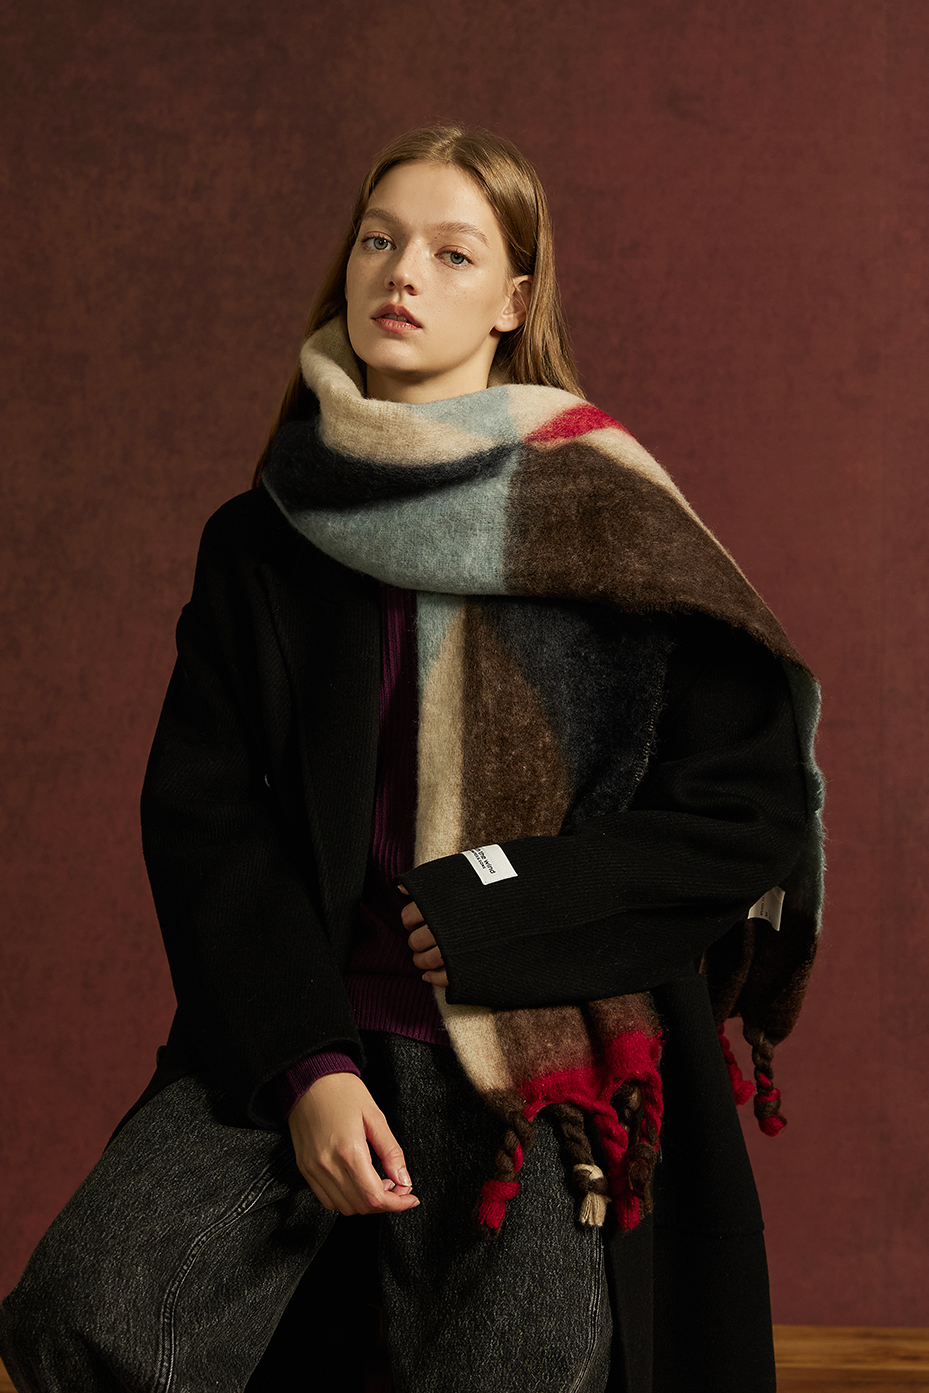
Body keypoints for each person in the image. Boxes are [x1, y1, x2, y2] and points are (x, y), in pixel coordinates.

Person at [0, 125, 824, 1393]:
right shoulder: (264, 540)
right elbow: (207, 821)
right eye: (379, 240)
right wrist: (309, 1070)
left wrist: (494, 901)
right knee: (86, 1311)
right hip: (305, 1018)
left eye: (452, 253)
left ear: (513, 301)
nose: (401, 273)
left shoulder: (608, 525)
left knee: (524, 1363)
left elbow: (745, 811)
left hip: (532, 1043)